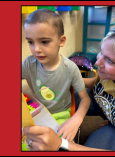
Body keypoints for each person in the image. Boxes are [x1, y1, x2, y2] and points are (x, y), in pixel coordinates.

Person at [22, 20, 115, 151]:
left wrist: (63, 144)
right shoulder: (105, 76)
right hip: (102, 108)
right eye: (101, 52)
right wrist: (64, 79)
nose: (97, 62)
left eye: (111, 61)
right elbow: (92, 84)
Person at [22, 9, 90, 142]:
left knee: (57, 145)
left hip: (60, 114)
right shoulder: (28, 63)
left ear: (61, 41)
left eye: (45, 42)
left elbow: (85, 99)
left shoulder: (70, 68)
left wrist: (77, 119)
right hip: (35, 111)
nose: (36, 49)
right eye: (30, 42)